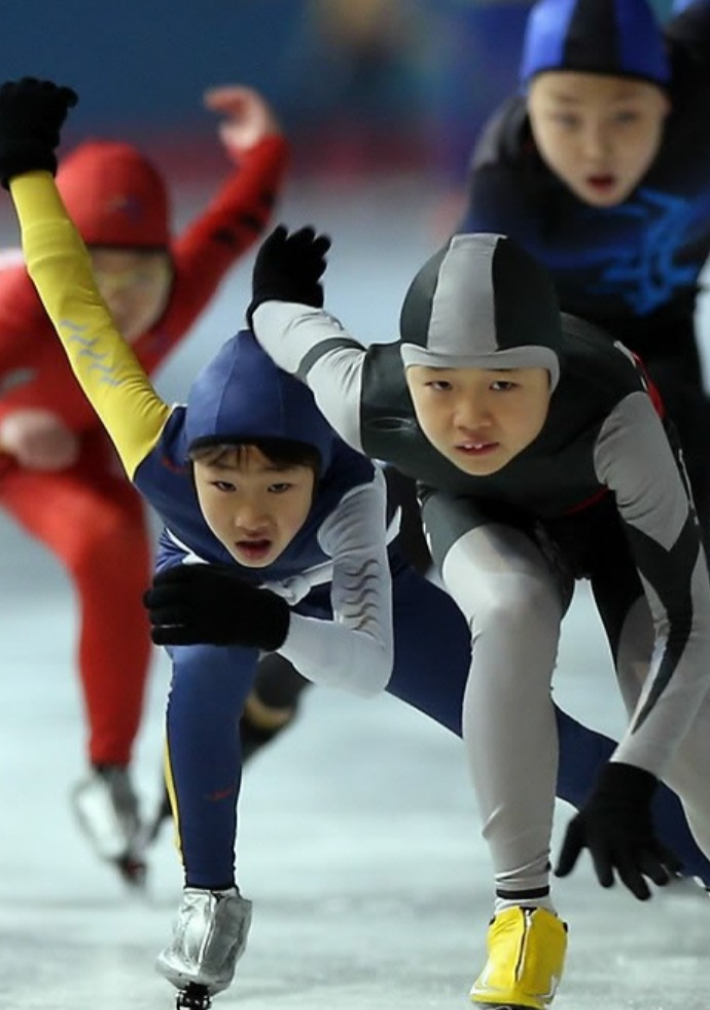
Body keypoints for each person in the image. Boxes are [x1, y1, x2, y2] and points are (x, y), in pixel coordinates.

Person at [3, 80, 710, 1010]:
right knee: (203, 678)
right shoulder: (148, 440)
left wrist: (269, 615)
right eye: (223, 486)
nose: (252, 519)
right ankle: (206, 899)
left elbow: (367, 662)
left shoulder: (355, 487)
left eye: (277, 488)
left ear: (321, 474)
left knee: (548, 742)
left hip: (344, 587)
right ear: (185, 463)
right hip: (232, 588)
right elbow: (74, 303)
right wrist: (25, 174)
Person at [243, 217, 710, 1010]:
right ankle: (521, 916)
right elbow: (300, 336)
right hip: (480, 513)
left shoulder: (617, 417)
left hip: (614, 520)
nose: (468, 420)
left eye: (502, 385)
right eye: (441, 386)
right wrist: (274, 298)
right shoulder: (371, 400)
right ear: (411, 377)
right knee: (511, 611)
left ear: (551, 375)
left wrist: (632, 778)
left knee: (684, 733)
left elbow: (687, 627)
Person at [0, 80, 289, 883]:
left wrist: (265, 145)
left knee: (112, 547)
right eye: (98, 277)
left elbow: (236, 221)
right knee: (104, 538)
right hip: (22, 449)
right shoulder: (10, 312)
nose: (122, 304)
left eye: (141, 276)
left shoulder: (178, 288)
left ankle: (107, 767)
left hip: (85, 445)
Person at [459, 0, 710, 545]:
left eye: (625, 115)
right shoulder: (506, 185)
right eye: (566, 117)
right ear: (531, 106)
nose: (597, 149)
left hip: (664, 336)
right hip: (547, 353)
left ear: (666, 103)